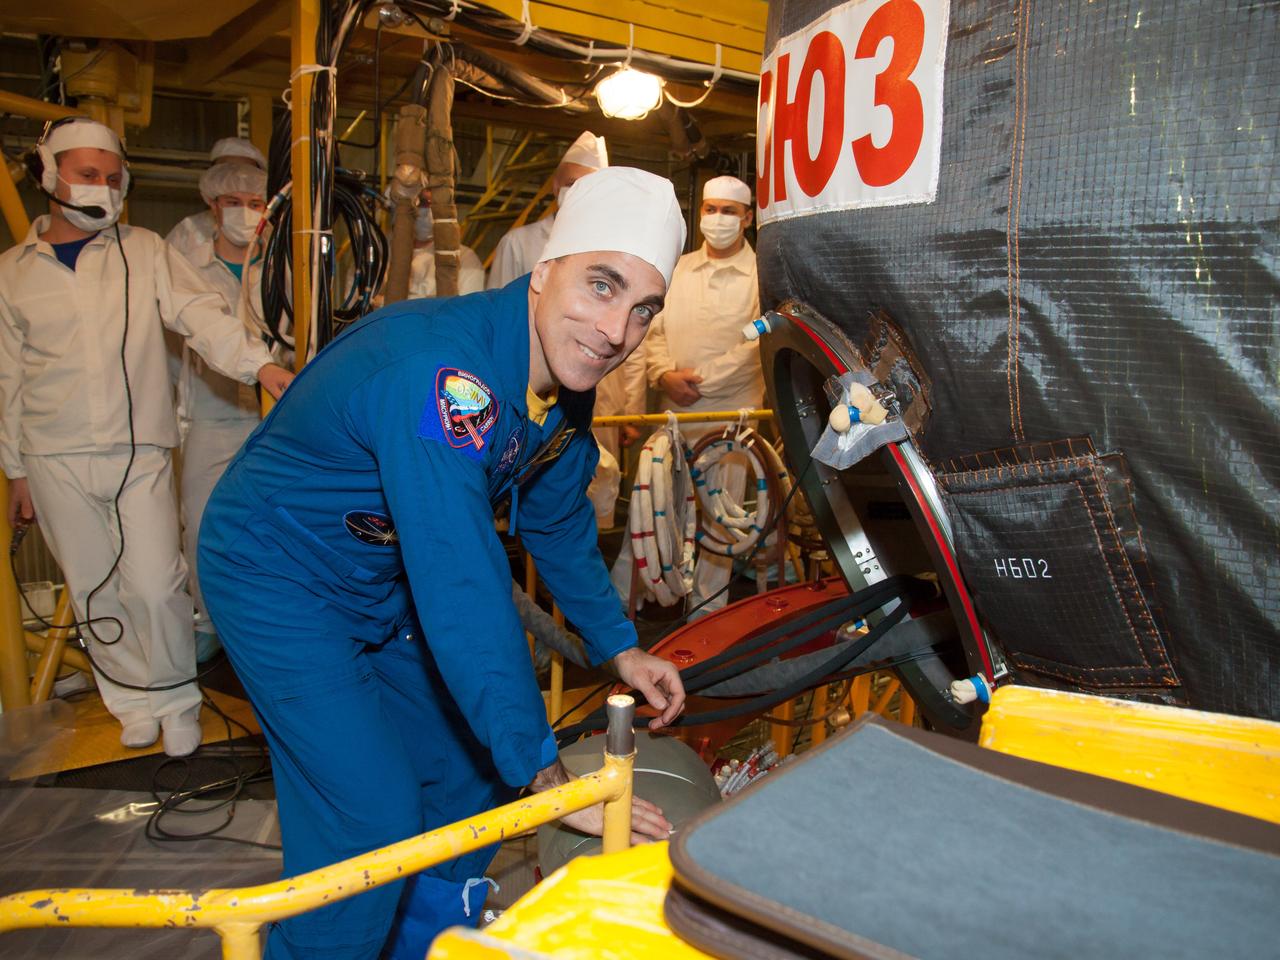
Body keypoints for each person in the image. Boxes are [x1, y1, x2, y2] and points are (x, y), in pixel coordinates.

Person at [197, 166, 688, 959]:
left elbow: (559, 518)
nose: (615, 331)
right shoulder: (443, 376)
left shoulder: (561, 389)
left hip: (378, 579)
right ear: (543, 271)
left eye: (642, 310)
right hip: (275, 573)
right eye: (601, 286)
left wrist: (619, 645)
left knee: (472, 781)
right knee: (369, 815)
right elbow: (460, 579)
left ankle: (420, 941)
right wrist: (548, 779)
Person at [0, 118, 293, 755]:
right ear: (49, 176)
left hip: (141, 448)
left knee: (158, 581)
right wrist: (15, 469)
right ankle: (133, 699)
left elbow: (198, 315)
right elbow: (6, 378)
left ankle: (177, 698)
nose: (100, 188)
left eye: (111, 178)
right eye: (85, 175)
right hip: (53, 452)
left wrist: (261, 365)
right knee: (93, 585)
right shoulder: (12, 273)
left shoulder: (145, 251)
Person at [169, 160, 274, 661]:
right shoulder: (186, 268)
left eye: (256, 204)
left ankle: (270, 620)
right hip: (211, 410)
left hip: (274, 413)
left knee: (275, 518)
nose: (245, 213)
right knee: (203, 521)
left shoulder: (282, 265)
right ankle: (208, 620)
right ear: (212, 206)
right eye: (234, 203)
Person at [645, 175, 762, 615]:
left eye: (728, 211)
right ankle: (651, 598)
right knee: (659, 506)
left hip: (727, 415)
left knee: (719, 515)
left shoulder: (760, 274)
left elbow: (755, 346)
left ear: (747, 218)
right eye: (709, 209)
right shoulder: (678, 266)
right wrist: (662, 375)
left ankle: (706, 613)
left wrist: (700, 381)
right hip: (673, 410)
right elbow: (652, 325)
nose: (717, 219)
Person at [485, 130, 607, 289]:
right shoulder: (518, 243)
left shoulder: (611, 246)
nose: (579, 193)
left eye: (589, 186)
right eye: (572, 184)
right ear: (556, 186)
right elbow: (499, 305)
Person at [166, 136, 268, 261]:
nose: (237, 179)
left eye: (247, 173)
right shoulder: (186, 233)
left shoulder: (275, 238)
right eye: (226, 172)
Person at [406, 187, 486, 298]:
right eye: (422, 202)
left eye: (432, 203)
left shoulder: (464, 258)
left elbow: (466, 310)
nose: (426, 211)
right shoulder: (381, 251)